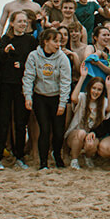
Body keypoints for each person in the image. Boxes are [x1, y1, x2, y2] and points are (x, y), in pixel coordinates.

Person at [0, 10, 37, 170]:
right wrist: (5, 51)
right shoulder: (5, 38)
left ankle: (19, 156)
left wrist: (22, 64)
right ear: (12, 23)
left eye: (25, 21)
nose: (23, 24)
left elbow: (34, 61)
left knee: (20, 123)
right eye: (20, 21)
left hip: (22, 85)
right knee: (3, 122)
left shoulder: (31, 40)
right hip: (5, 85)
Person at [23, 27, 71, 170]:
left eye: (60, 42)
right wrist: (28, 96)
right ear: (45, 42)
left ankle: (57, 156)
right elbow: (29, 77)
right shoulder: (33, 56)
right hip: (40, 97)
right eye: (55, 41)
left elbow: (65, 81)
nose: (58, 44)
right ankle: (43, 162)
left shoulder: (62, 58)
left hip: (56, 97)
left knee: (58, 131)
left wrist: (62, 103)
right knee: (44, 129)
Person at [66, 76, 110, 169]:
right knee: (81, 133)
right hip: (75, 134)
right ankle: (74, 160)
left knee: (91, 144)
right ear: (89, 88)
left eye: (99, 89)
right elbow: (73, 98)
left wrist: (109, 87)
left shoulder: (103, 102)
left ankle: (88, 157)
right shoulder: (83, 97)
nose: (96, 92)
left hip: (90, 135)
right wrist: (82, 77)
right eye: (94, 88)